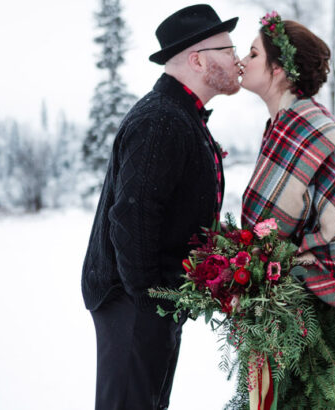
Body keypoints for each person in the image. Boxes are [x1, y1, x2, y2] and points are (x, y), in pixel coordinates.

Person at [80, 4, 240, 409]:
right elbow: (131, 215)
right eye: (228, 50)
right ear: (198, 60)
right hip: (132, 300)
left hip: (150, 300)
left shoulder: (180, 116)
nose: (237, 60)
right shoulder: (161, 119)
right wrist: (151, 300)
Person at [238, 11, 335, 407]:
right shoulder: (285, 124)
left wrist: (294, 258)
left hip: (312, 311)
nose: (242, 60)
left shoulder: (304, 128)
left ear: (278, 70)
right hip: (291, 303)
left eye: (252, 54)